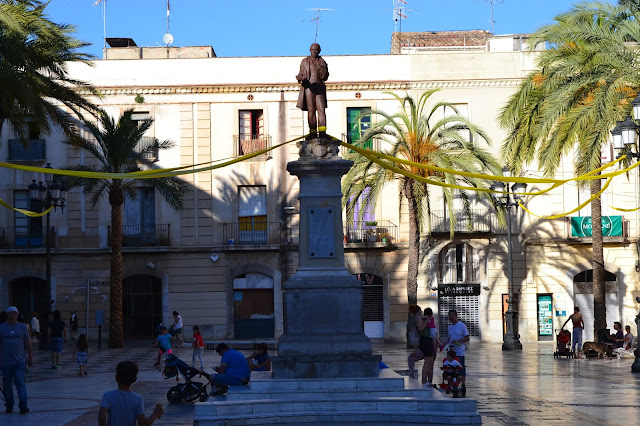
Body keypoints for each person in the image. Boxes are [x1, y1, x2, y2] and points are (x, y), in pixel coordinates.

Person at [98, 360, 164, 426]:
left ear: (116, 378)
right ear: (135, 379)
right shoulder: (137, 398)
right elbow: (143, 423)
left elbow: (102, 415)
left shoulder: (108, 395)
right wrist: (156, 413)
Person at [0, 306, 33, 414]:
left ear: (17, 315)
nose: (13, 315)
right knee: (7, 385)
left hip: (19, 361)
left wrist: (30, 356)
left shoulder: (22, 327)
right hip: (5, 362)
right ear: (7, 315)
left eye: (15, 313)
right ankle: (9, 405)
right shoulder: (1, 327)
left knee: (20, 383)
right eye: (11, 313)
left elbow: (28, 342)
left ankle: (23, 406)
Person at [296, 42, 329, 139]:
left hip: (319, 88)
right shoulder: (305, 61)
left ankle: (322, 131)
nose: (314, 51)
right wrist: (302, 77)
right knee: (311, 110)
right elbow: (300, 74)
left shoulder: (322, 61)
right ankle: (313, 132)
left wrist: (324, 73)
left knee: (321, 110)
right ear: (310, 50)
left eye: (316, 50)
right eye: (312, 50)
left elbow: (326, 76)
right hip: (309, 87)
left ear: (319, 51)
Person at [406, 304, 435, 388]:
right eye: (421, 310)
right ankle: (424, 382)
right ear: (418, 311)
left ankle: (424, 381)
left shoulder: (419, 317)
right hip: (426, 341)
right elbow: (420, 328)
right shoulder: (418, 318)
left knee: (428, 362)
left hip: (425, 341)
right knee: (427, 362)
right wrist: (426, 322)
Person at [443, 309, 469, 397]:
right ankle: (452, 385)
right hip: (451, 352)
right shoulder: (449, 327)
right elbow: (449, 339)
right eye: (449, 316)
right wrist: (444, 344)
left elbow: (467, 338)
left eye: (452, 316)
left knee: (461, 369)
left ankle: (463, 385)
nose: (451, 318)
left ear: (456, 316)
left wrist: (458, 341)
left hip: (460, 352)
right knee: (450, 369)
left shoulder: (462, 326)